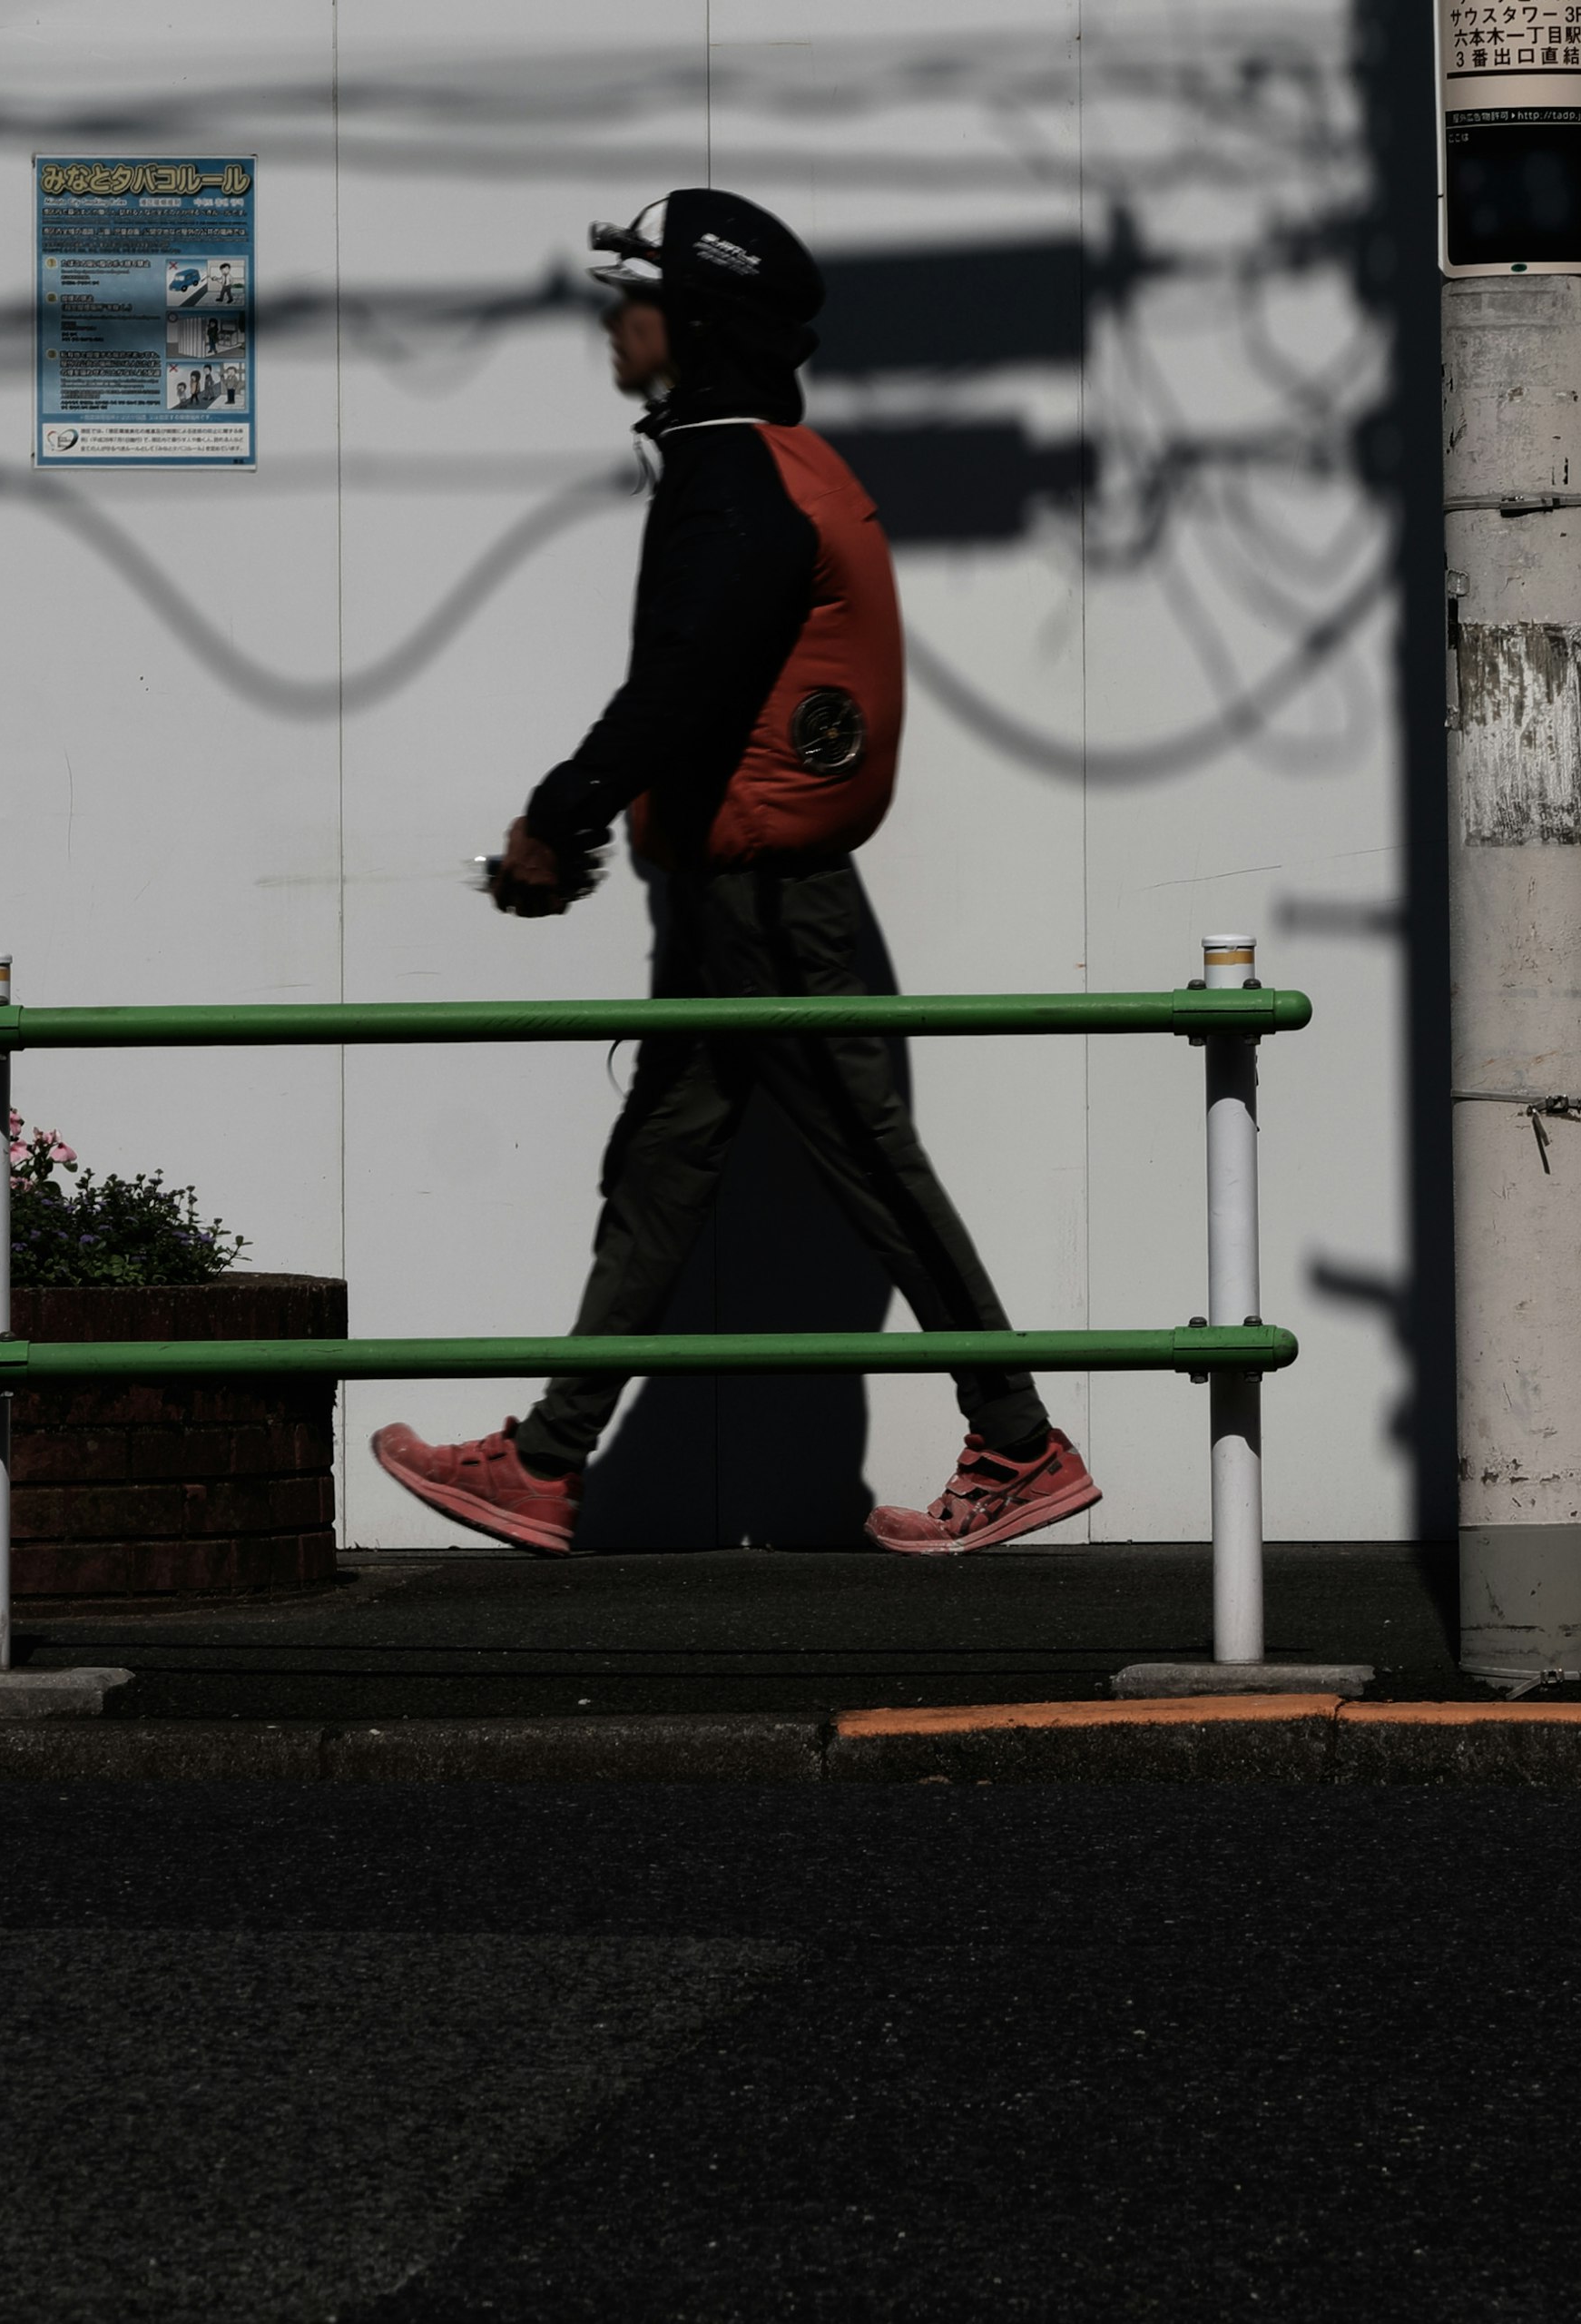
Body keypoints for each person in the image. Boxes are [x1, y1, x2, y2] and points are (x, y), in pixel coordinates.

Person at [369, 189, 1101, 1560]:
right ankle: (543, 1461)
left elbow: (691, 681)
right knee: (664, 1161)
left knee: (871, 1165)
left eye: (631, 294)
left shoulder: (736, 477)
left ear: (693, 323)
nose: (611, 317)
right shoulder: (771, 457)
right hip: (733, 890)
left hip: (769, 897)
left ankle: (1018, 1441)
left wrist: (559, 815)